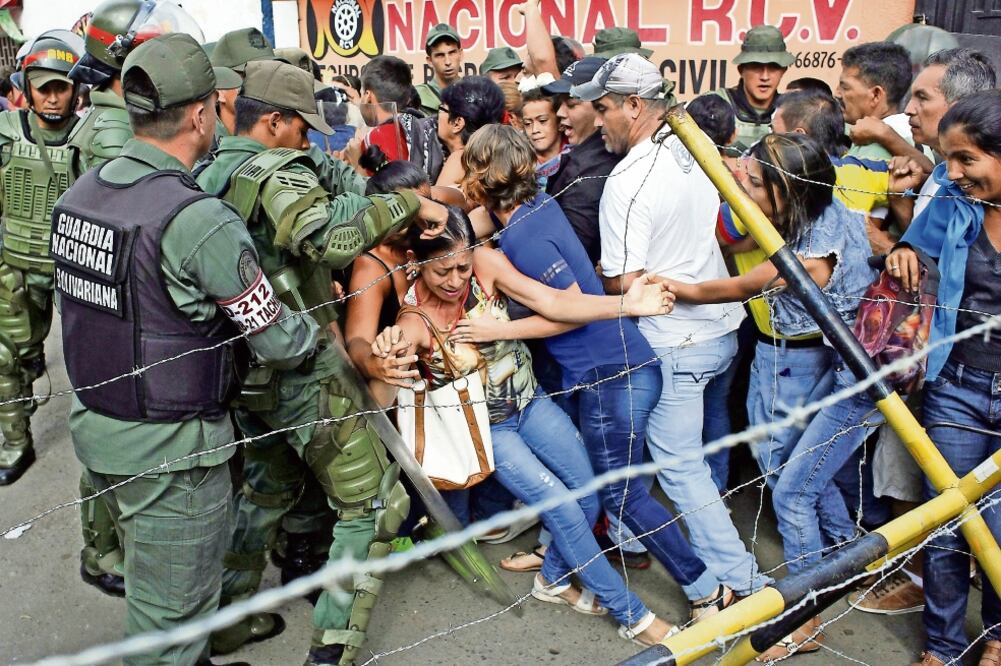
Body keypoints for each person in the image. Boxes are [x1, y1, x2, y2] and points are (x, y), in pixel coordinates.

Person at [52, 32, 317, 666]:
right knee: (170, 621)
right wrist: (313, 327)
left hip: (102, 432)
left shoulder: (81, 196)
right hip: (174, 453)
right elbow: (279, 340)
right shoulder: (197, 220)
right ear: (201, 115)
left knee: (159, 587)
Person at [195, 59, 449, 666]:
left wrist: (365, 187)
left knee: (264, 494)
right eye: (302, 128)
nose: (309, 139)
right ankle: (332, 648)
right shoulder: (272, 170)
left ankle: (225, 622)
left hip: (245, 370)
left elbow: (337, 186)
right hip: (302, 371)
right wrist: (407, 207)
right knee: (372, 507)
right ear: (275, 122)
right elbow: (328, 241)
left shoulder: (207, 168)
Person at [451, 124, 735, 622]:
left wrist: (495, 331)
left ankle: (707, 592)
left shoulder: (525, 238)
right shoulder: (536, 209)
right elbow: (475, 223)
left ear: (479, 175)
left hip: (612, 375)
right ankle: (555, 571)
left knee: (621, 495)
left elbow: (567, 307)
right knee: (600, 485)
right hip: (616, 369)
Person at [370, 206, 681, 645]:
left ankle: (552, 580)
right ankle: (634, 616)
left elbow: (553, 302)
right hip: (491, 431)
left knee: (588, 491)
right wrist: (385, 352)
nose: (457, 279)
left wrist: (626, 304)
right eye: (442, 271)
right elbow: (393, 354)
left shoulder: (485, 262)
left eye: (462, 266)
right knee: (564, 510)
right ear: (417, 266)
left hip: (531, 403)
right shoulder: (414, 320)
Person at [669, 132, 876, 660]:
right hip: (842, 363)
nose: (747, 187)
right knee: (807, 470)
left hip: (847, 371)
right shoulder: (829, 209)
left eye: (757, 183)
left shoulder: (813, 250)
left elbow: (742, 285)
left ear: (786, 191)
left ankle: (804, 619)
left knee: (790, 488)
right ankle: (845, 564)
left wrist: (675, 289)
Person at [574, 53, 768, 599]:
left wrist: (591, 279)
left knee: (682, 469)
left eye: (604, 107)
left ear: (635, 106)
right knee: (675, 454)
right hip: (720, 333)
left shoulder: (628, 182)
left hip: (676, 344)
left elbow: (630, 284)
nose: (596, 119)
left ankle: (745, 585)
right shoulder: (698, 150)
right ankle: (631, 541)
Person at [886, 90, 1001, 666]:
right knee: (950, 521)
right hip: (957, 384)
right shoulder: (955, 204)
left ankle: (999, 637)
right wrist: (903, 253)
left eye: (966, 160)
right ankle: (944, 645)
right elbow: (913, 246)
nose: (951, 173)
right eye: (948, 159)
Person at [0, 31, 84, 487]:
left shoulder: (92, 139)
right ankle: (14, 440)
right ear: (26, 88)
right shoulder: (6, 134)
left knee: (98, 362)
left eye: (62, 86)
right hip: (14, 265)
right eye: (43, 87)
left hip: (74, 272)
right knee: (5, 358)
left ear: (76, 89)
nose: (53, 98)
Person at [889, 48, 996, 230]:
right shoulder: (941, 175)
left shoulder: (978, 186)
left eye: (922, 98)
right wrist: (899, 199)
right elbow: (926, 248)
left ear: (960, 107)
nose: (908, 109)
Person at [538, 55, 613, 264]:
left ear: (601, 108)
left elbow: (571, 255)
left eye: (571, 104)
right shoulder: (585, 157)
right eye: (560, 104)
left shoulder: (587, 171)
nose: (560, 113)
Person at [836, 42, 928, 164]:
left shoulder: (873, 144)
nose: (837, 93)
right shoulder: (911, 133)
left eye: (845, 87)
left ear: (876, 94)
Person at [712, 25, 794, 152]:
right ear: (741, 70)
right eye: (756, 66)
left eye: (773, 67)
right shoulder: (714, 105)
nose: (765, 77)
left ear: (783, 70)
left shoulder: (792, 112)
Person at [433, 76, 505, 188]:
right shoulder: (496, 157)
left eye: (442, 109)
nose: (436, 117)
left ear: (457, 123)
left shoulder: (459, 160)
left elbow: (434, 204)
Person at [359, 55, 416, 163]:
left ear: (368, 96)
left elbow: (378, 179)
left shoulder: (374, 138)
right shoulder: (422, 126)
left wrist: (355, 161)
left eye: (362, 93)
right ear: (408, 99)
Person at [518, 86, 564, 188]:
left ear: (560, 122)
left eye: (542, 121)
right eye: (527, 123)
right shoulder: (519, 163)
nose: (535, 130)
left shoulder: (574, 157)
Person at [415, 23, 462, 115]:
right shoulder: (417, 98)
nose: (448, 62)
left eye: (452, 53)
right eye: (440, 55)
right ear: (429, 61)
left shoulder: (475, 93)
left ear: (460, 54)